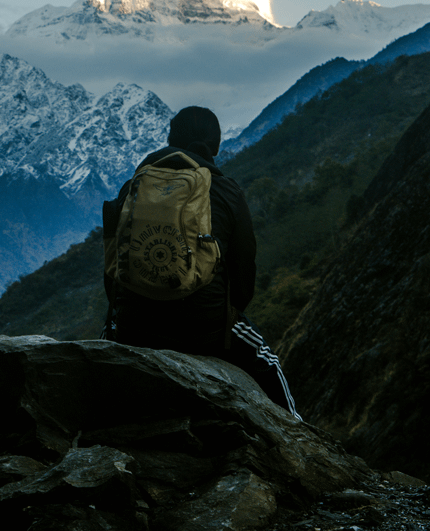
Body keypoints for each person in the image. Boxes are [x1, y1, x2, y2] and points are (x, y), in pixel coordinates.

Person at [102, 106, 301, 419]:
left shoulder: (132, 189)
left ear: (170, 140)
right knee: (267, 361)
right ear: (217, 147)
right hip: (203, 331)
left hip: (133, 329)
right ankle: (298, 435)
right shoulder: (226, 192)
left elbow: (112, 272)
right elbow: (243, 277)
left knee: (105, 341)